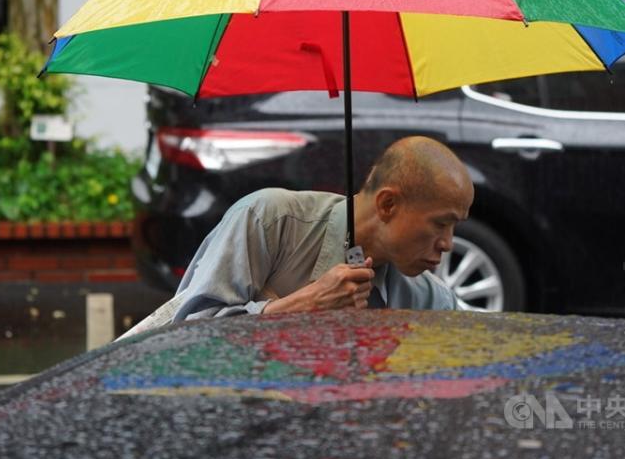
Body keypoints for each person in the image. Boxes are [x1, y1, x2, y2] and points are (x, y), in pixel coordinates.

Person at [118, 136, 474, 337]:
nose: (447, 243)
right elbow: (184, 337)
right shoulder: (269, 220)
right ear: (388, 204)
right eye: (440, 224)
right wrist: (295, 308)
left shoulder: (429, 300)